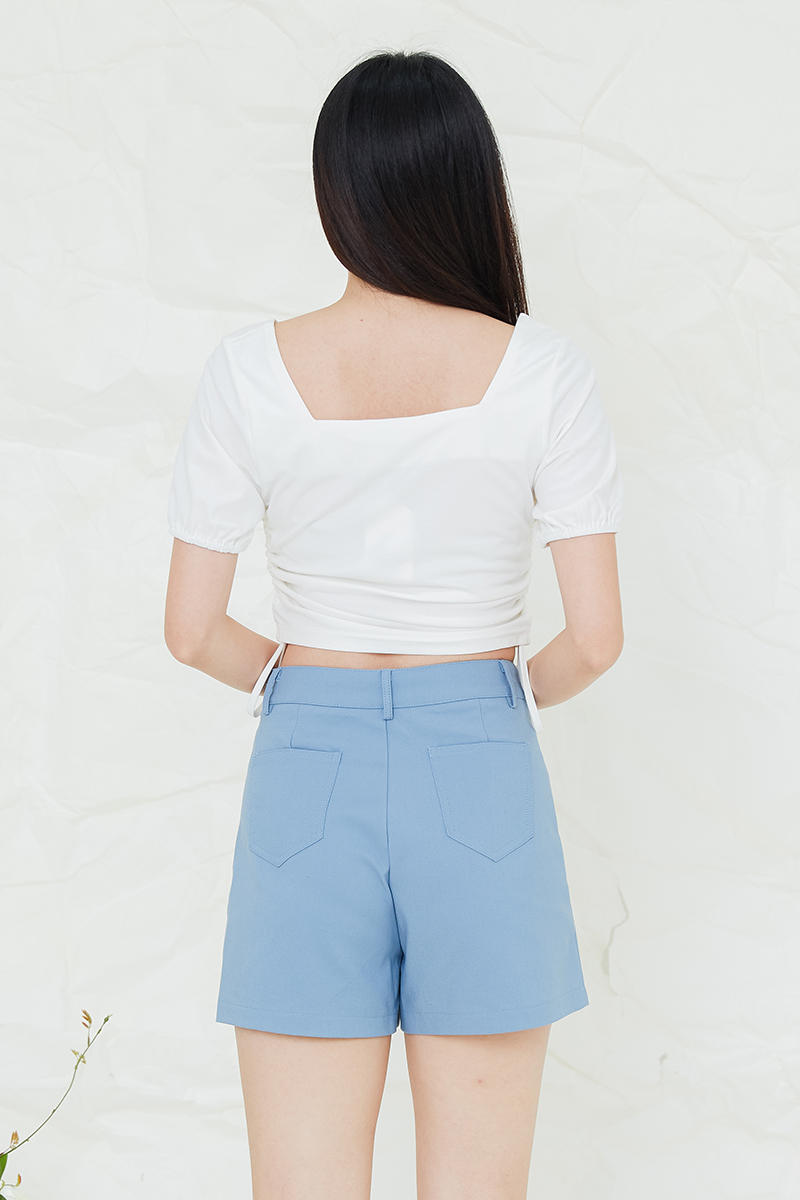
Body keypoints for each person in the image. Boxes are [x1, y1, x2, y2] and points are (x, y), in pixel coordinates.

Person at [163, 49, 623, 1200]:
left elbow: (190, 629)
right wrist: (493, 694)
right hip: (479, 754)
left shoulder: (247, 373)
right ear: (470, 184)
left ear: (338, 192)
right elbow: (594, 638)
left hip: (304, 761)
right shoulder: (542, 373)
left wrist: (294, 675)